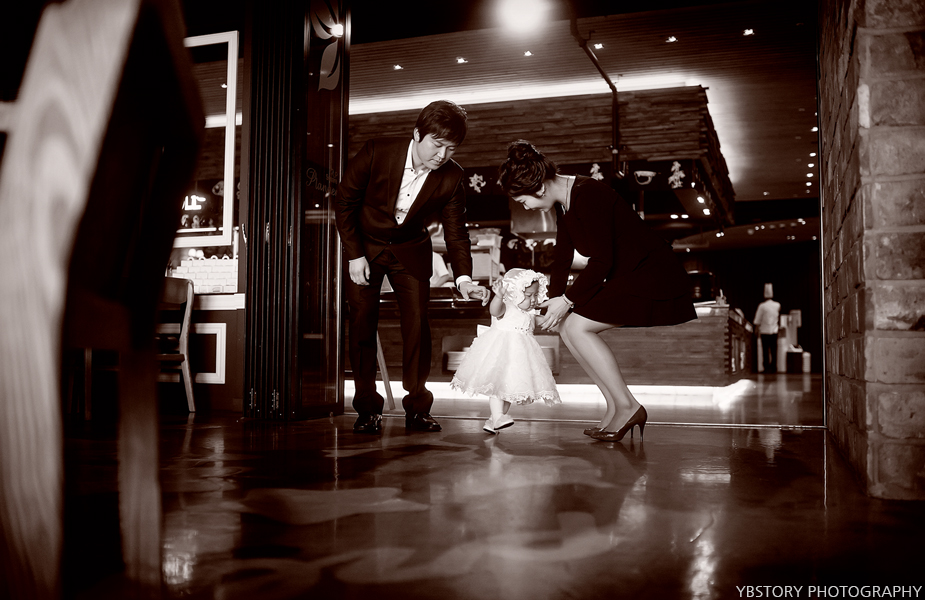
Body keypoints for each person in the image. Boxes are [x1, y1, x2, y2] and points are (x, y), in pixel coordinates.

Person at [497, 140, 696, 442]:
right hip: (626, 275)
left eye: (523, 201)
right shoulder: (565, 202)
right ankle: (616, 407)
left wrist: (567, 300)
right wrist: (554, 299)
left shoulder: (588, 193)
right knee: (567, 326)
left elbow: (602, 260)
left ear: (539, 188)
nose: (525, 207)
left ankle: (628, 406)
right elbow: (562, 256)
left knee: (577, 326)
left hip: (650, 273)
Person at [335, 100, 490, 435]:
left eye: (451, 148)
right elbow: (344, 201)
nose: (442, 155)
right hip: (365, 248)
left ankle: (418, 408)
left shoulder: (452, 176)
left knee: (418, 325)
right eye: (437, 144)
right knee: (362, 324)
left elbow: (456, 232)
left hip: (410, 251)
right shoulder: (376, 152)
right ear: (418, 134)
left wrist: (463, 278)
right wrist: (354, 255)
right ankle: (367, 409)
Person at [451, 268, 561, 433]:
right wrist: (499, 296)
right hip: (501, 353)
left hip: (519, 359)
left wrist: (557, 321)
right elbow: (494, 311)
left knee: (509, 390)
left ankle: (493, 420)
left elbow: (545, 321)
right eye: (528, 295)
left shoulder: (530, 314)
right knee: (498, 385)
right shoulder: (506, 308)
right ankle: (498, 416)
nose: (533, 300)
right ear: (514, 293)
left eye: (535, 295)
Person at [754, 283, 781, 373]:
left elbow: (758, 319)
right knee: (774, 350)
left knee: (765, 350)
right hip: (774, 330)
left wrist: (756, 329)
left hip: (764, 331)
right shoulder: (777, 305)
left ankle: (766, 368)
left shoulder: (762, 306)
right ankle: (774, 367)